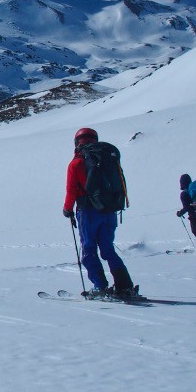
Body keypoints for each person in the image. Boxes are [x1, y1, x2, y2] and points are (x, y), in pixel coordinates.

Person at [62, 127, 136, 298]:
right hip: (109, 210)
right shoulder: (106, 160)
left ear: (76, 142)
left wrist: (67, 209)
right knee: (108, 249)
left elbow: (71, 190)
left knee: (88, 249)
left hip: (88, 212)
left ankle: (100, 286)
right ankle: (124, 286)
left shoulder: (76, 163)